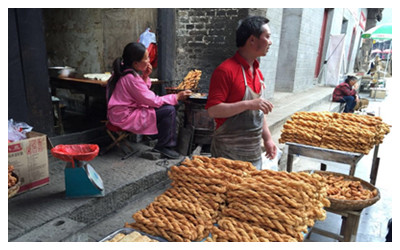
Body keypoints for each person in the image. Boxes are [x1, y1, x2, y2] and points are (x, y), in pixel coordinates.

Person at [205, 16, 277, 170]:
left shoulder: (258, 73)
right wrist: (248, 104)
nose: (270, 42)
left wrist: (268, 139)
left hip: (252, 152)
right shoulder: (225, 71)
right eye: (267, 37)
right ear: (252, 40)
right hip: (227, 155)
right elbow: (213, 110)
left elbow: (258, 111)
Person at [107, 42, 191, 159]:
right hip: (124, 117)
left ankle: (159, 139)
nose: (149, 60)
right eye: (146, 58)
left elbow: (140, 93)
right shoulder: (131, 78)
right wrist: (176, 97)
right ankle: (164, 146)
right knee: (169, 110)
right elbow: (152, 100)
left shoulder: (125, 72)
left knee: (165, 108)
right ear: (136, 63)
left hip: (120, 113)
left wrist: (145, 76)